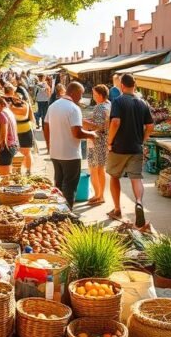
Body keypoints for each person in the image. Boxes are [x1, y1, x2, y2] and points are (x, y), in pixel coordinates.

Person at [106, 73, 154, 226]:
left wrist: (109, 141)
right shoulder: (142, 103)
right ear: (135, 85)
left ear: (122, 85)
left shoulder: (118, 101)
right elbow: (150, 126)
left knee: (114, 176)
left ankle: (117, 208)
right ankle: (138, 202)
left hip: (119, 147)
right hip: (136, 147)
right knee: (136, 178)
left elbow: (115, 122)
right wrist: (143, 139)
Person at [43, 82, 95, 208]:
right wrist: (91, 135)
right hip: (70, 154)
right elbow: (77, 133)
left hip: (56, 153)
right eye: (81, 94)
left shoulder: (53, 106)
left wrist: (49, 145)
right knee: (69, 187)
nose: (81, 97)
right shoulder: (73, 108)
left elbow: (46, 127)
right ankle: (66, 214)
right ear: (74, 93)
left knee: (59, 185)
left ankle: (57, 212)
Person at [82, 84, 111, 205]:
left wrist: (83, 122)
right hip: (104, 140)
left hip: (97, 140)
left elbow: (97, 126)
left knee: (94, 169)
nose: (93, 97)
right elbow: (101, 123)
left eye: (94, 94)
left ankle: (98, 195)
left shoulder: (100, 107)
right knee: (100, 169)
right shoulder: (108, 104)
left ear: (100, 95)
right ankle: (101, 195)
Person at [0, 96, 19, 175]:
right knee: (8, 171)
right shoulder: (8, 111)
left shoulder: (2, 114)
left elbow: (4, 134)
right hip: (13, 144)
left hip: (7, 146)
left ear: (0, 105)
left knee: (4, 175)